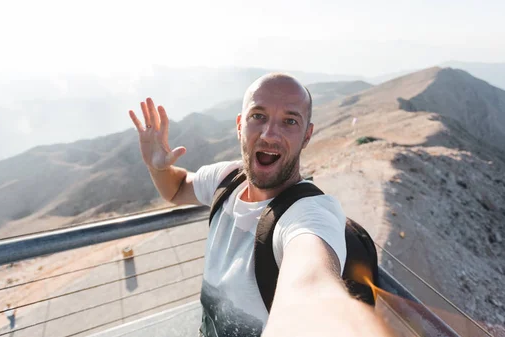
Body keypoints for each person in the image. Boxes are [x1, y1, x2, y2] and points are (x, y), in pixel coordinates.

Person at [129, 73, 392, 337]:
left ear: (307, 135)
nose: (270, 134)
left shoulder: (310, 213)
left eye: (290, 121)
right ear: (240, 125)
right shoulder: (226, 179)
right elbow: (177, 188)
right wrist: (156, 166)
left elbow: (312, 280)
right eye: (258, 116)